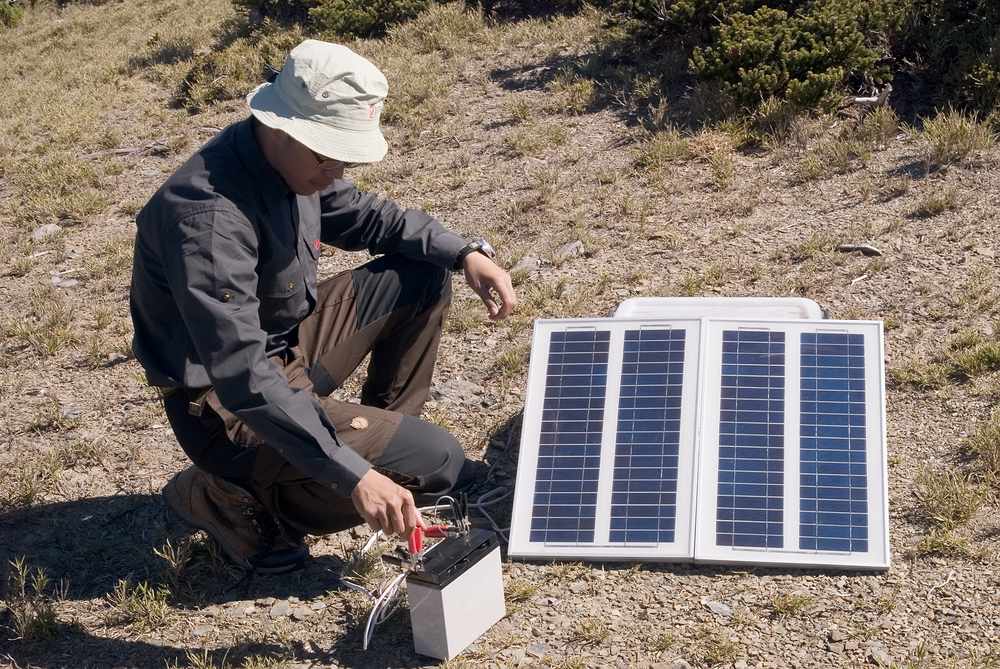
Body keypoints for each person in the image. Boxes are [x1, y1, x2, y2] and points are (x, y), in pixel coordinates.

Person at [129, 40, 516, 573]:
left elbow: (368, 217)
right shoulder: (209, 222)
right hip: (225, 408)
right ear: (282, 127)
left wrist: (464, 252)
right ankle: (230, 495)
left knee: (423, 274)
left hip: (283, 349)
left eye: (345, 157)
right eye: (328, 156)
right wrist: (351, 473)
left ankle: (375, 457)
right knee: (441, 462)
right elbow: (244, 377)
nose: (337, 172)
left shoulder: (289, 162)